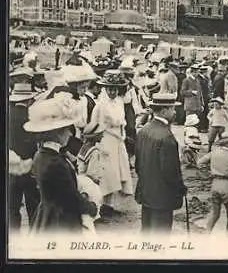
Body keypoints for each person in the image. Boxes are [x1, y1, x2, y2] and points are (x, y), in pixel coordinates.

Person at [26, 91, 98, 234]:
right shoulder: (54, 162)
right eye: (66, 130)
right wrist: (91, 206)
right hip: (60, 220)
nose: (70, 134)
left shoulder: (42, 155)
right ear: (56, 133)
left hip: (48, 213)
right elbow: (70, 198)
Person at [135, 93, 187, 234]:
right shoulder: (167, 138)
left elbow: (138, 165)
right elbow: (171, 172)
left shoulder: (143, 131)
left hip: (146, 192)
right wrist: (180, 188)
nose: (175, 112)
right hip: (162, 196)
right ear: (164, 111)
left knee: (146, 231)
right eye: (172, 109)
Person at [91, 70, 134, 217]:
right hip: (105, 139)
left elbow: (122, 123)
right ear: (104, 89)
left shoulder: (119, 102)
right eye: (109, 89)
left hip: (117, 140)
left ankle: (109, 205)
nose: (112, 92)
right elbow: (93, 124)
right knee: (106, 173)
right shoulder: (100, 105)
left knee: (116, 172)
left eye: (115, 89)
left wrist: (123, 137)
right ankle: (100, 206)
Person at [197, 131, 228, 236]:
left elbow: (200, 163)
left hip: (215, 184)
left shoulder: (214, 153)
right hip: (227, 185)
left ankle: (206, 235)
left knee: (215, 213)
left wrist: (207, 175)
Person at [9, 84, 40, 233]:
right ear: (29, 99)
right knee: (33, 204)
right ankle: (34, 238)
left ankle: (13, 237)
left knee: (12, 207)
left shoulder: (8, 113)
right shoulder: (31, 116)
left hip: (11, 165)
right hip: (29, 165)